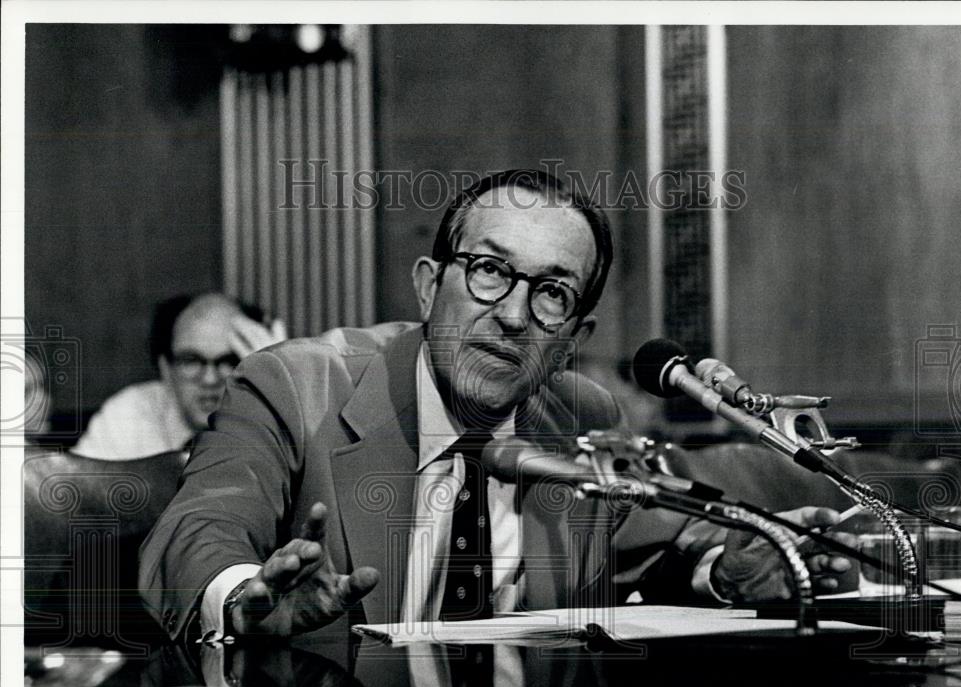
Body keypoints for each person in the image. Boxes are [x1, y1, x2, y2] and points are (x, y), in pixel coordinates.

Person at [139, 170, 854, 650]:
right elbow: (198, 529)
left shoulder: (581, 416)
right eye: (489, 271)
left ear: (576, 337)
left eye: (552, 293)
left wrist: (728, 570)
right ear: (429, 287)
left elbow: (640, 559)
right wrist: (240, 599)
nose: (513, 315)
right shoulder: (297, 386)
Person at [72, 293, 286, 460]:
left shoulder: (275, 413)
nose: (210, 379)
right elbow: (70, 501)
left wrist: (277, 398)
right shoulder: (127, 416)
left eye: (228, 361)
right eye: (191, 361)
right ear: (165, 368)